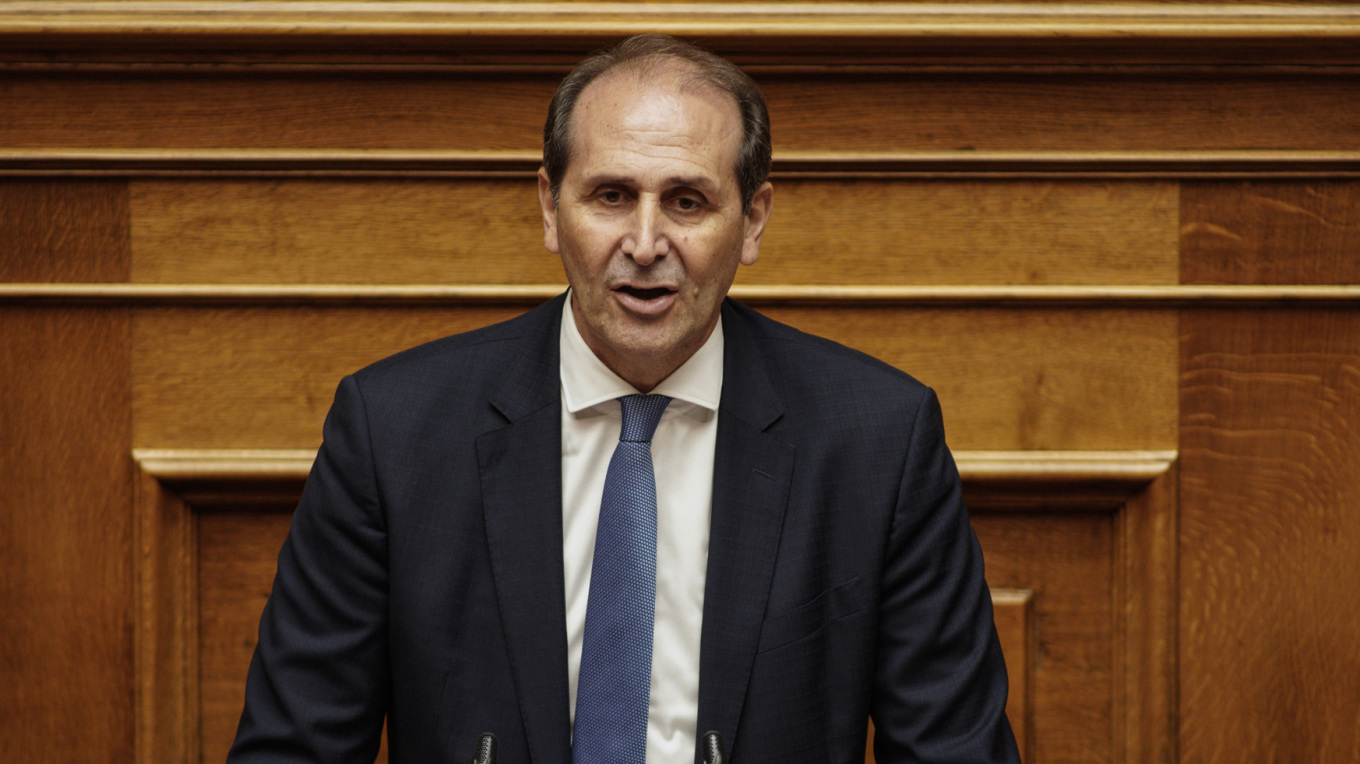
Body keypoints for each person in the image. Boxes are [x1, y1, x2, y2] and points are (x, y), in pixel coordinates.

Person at [229, 34, 1019, 764]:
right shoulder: (392, 432)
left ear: (752, 221)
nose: (644, 245)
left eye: (687, 202)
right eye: (610, 196)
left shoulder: (880, 440)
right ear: (550, 208)